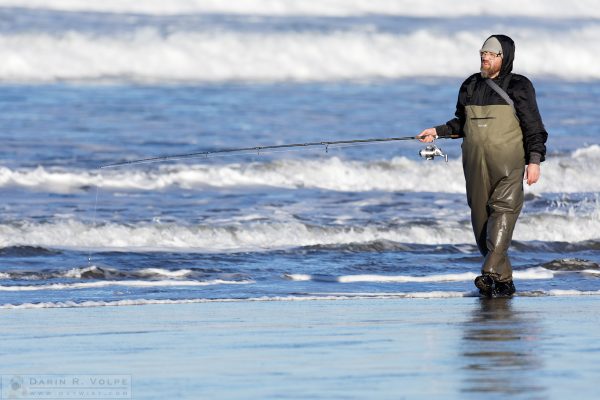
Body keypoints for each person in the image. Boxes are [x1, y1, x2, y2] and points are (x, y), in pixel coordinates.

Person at [418, 34, 548, 297]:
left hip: (509, 164)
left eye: (491, 54)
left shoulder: (519, 86)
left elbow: (534, 127)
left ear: (505, 57)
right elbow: (460, 124)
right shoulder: (470, 85)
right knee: (481, 223)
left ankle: (488, 273)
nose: (485, 57)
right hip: (475, 165)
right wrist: (437, 131)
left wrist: (534, 160)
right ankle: (504, 281)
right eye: (483, 52)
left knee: (503, 212)